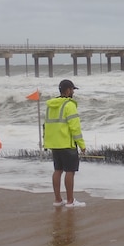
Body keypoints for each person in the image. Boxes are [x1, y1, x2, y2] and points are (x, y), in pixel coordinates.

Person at [44, 79, 86, 208]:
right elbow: (75, 127)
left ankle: (57, 199)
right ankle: (70, 200)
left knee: (57, 170)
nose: (73, 92)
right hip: (67, 144)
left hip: (54, 143)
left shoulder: (51, 105)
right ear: (67, 90)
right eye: (72, 89)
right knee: (70, 171)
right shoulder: (69, 105)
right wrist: (82, 145)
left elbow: (47, 125)